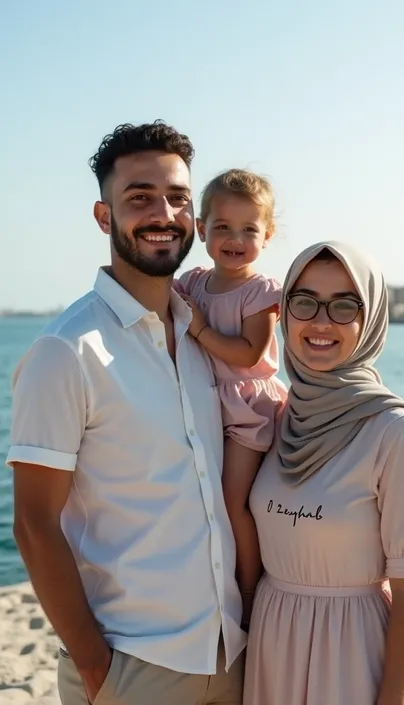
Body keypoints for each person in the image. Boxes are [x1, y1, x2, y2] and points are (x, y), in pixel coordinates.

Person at [8, 120, 246, 705]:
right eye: (139, 198)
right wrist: (97, 671)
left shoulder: (202, 338)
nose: (163, 213)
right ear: (102, 215)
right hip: (134, 669)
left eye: (178, 198)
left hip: (233, 654)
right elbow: (35, 526)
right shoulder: (66, 351)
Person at [243, 241, 404, 705]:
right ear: (285, 312)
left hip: (353, 652)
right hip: (274, 645)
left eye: (344, 307)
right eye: (304, 300)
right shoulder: (275, 417)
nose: (320, 321)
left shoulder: (396, 433)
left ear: (369, 319)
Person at [175, 169, 287, 627]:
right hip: (205, 402)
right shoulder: (195, 282)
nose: (234, 239)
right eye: (222, 227)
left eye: (248, 229)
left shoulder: (259, 291)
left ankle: (246, 585)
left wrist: (199, 327)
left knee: (231, 498)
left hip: (246, 410)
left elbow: (247, 354)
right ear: (201, 229)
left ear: (268, 235)